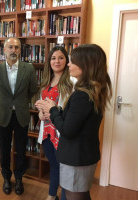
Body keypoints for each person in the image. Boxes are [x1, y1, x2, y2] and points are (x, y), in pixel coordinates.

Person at [35, 44, 112, 200]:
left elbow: (68, 129)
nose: (68, 64)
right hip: (83, 153)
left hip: (77, 155)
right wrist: (54, 110)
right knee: (81, 193)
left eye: (72, 61)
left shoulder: (82, 94)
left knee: (74, 194)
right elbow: (75, 118)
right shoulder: (92, 89)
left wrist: (53, 110)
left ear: (85, 65)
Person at [0, 37, 38, 195]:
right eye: (10, 47)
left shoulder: (28, 68)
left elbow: (32, 90)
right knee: (4, 148)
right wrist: (6, 102)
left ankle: (19, 178)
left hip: (21, 114)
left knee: (21, 149)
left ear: (20, 50)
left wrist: (21, 101)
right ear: (4, 50)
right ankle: (6, 177)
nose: (13, 50)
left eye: (17, 47)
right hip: (4, 114)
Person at [37, 46, 75, 200]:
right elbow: (42, 104)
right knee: (53, 165)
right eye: (53, 58)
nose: (57, 61)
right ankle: (52, 196)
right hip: (46, 131)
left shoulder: (71, 82)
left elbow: (71, 109)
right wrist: (40, 114)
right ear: (49, 61)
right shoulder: (46, 81)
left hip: (60, 132)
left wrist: (54, 110)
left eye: (61, 57)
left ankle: (64, 197)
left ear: (66, 61)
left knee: (65, 169)